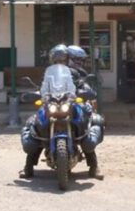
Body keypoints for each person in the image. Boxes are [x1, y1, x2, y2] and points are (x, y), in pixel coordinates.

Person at [20, 44, 74, 178]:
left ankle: (94, 163)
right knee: (37, 128)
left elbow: (72, 86)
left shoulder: (69, 71)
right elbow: (44, 86)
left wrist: (73, 94)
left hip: (66, 102)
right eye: (57, 59)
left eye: (61, 59)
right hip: (51, 103)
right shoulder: (49, 72)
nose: (59, 61)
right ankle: (28, 166)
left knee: (82, 125)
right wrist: (43, 95)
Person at [66, 44, 104, 179]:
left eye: (80, 60)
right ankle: (28, 165)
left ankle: (94, 166)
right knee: (39, 123)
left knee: (84, 128)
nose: (78, 62)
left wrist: (87, 93)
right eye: (75, 59)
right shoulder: (53, 72)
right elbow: (44, 85)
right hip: (56, 103)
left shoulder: (81, 73)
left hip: (75, 105)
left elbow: (85, 85)